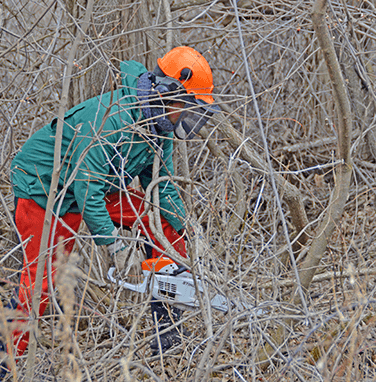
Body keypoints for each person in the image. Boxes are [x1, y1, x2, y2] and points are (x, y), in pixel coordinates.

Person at [3, 46, 220, 376]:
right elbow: (85, 189)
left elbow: (162, 187)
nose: (185, 117)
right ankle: (5, 363)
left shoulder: (159, 130)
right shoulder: (113, 119)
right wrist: (115, 247)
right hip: (46, 193)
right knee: (41, 286)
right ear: (166, 93)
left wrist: (190, 228)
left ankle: (168, 327)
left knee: (158, 217)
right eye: (185, 107)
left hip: (92, 190)